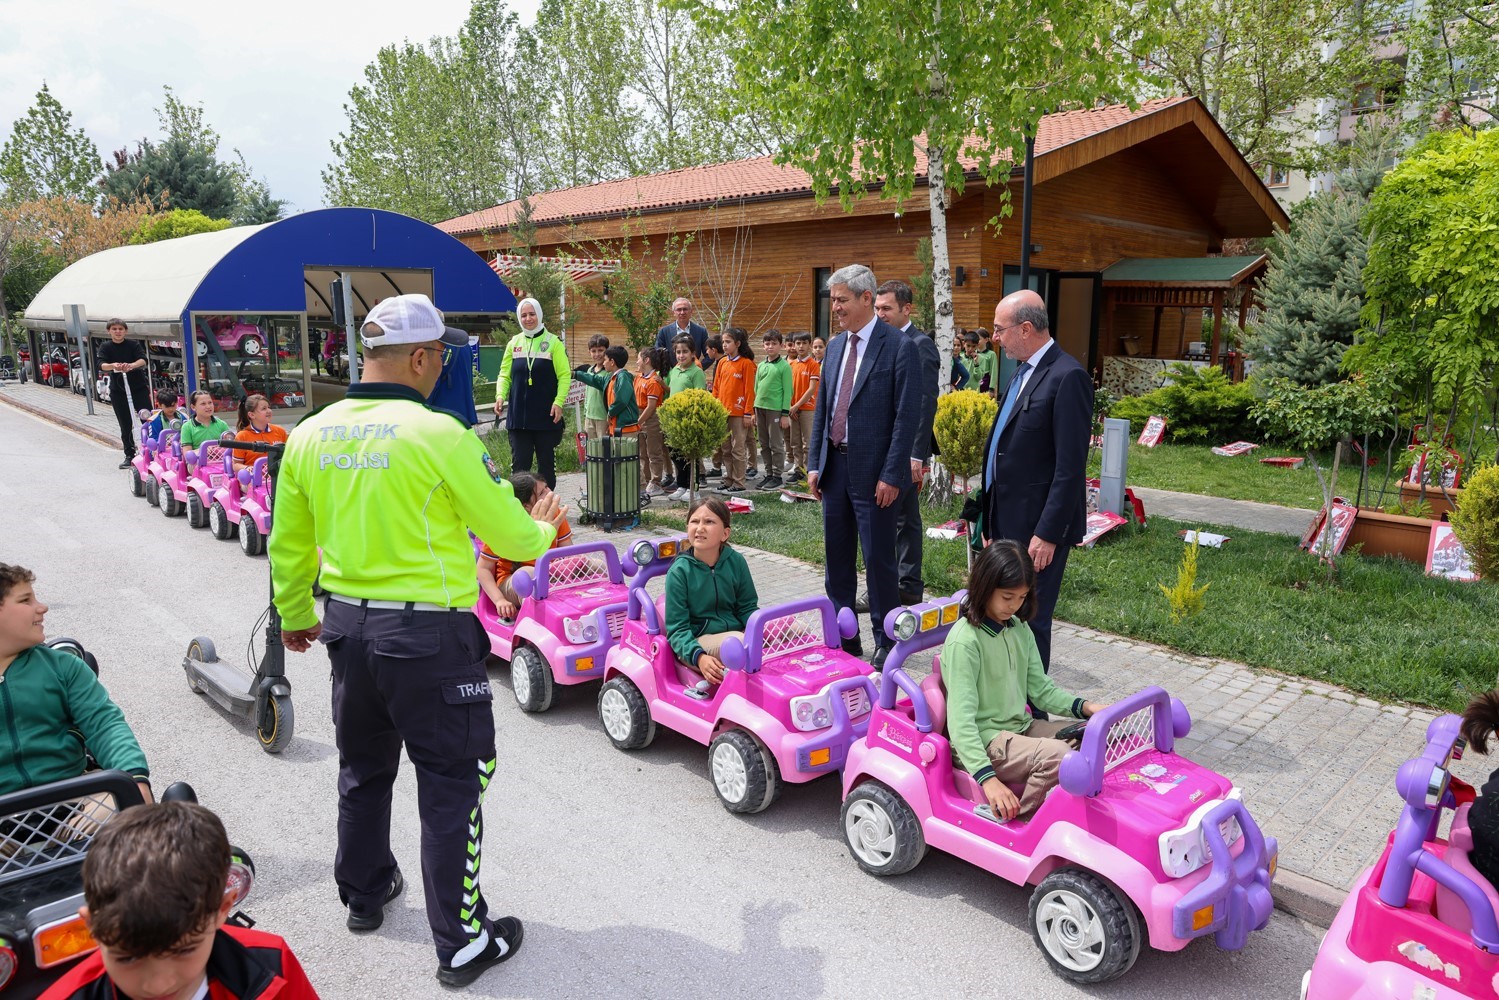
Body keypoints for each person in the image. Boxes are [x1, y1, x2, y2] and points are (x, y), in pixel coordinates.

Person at [268, 293, 565, 987]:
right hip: (426, 635)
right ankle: (461, 941)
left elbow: (289, 543)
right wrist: (546, 526)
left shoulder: (310, 432)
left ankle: (366, 895)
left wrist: (294, 613)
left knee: (363, 770)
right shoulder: (441, 434)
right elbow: (512, 536)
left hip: (346, 626)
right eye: (444, 356)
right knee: (454, 783)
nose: (444, 368)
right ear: (423, 357)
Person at [43, 802, 319, 1000]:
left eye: (184, 950)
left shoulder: (272, 964)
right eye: (129, 957)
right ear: (91, 926)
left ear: (223, 908)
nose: (158, 985)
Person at [942, 541, 1107, 822]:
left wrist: (1089, 708)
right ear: (984, 586)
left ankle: (1074, 809)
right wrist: (988, 780)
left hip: (1020, 729)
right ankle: (1025, 823)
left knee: (1095, 735)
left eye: (1021, 597)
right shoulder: (965, 642)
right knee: (1058, 756)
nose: (1014, 605)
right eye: (1007, 597)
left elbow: (1042, 692)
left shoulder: (1018, 628)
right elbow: (960, 724)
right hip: (984, 742)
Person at [806, 265, 921, 666]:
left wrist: (893, 474)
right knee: (836, 562)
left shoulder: (898, 346)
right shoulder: (836, 346)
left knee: (879, 563)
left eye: (841, 299)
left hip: (876, 477)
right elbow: (823, 409)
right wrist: (814, 463)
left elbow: (908, 417)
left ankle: (887, 643)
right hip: (834, 470)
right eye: (833, 299)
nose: (834, 307)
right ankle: (843, 640)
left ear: (866, 298)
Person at [976, 289, 1093, 675]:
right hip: (1007, 519)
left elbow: (1070, 467)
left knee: (1031, 618)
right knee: (1004, 615)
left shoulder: (1067, 376)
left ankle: (1033, 708)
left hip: (1037, 527)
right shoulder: (1023, 371)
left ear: (1026, 329)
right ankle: (1008, 696)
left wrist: (1047, 533)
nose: (994, 337)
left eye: (999, 329)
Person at [0, 564, 151, 802]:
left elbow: (104, 725)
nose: (42, 607)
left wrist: (135, 778)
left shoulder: (63, 667)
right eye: (26, 600)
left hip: (74, 796)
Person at [874, 280, 940, 606]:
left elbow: (925, 402)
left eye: (887, 308)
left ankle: (901, 586)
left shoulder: (919, 344)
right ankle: (906, 585)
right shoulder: (883, 342)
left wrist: (917, 454)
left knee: (899, 519)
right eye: (877, 308)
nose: (880, 314)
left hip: (905, 453)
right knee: (901, 518)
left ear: (906, 309)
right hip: (884, 449)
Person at [664, 498, 757, 685]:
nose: (700, 528)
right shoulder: (679, 571)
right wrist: (699, 657)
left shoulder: (736, 561)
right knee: (740, 642)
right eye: (695, 521)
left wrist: (759, 628)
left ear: (725, 533)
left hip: (734, 632)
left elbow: (747, 607)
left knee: (793, 627)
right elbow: (677, 631)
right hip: (697, 642)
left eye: (709, 522)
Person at [495, 297, 570, 490]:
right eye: (524, 315)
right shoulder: (514, 343)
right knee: (520, 469)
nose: (528, 319)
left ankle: (547, 509)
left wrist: (559, 402)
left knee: (546, 469)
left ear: (539, 314)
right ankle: (520, 511)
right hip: (519, 419)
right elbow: (505, 374)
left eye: (532, 314)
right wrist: (500, 396)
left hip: (546, 417)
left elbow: (564, 375)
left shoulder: (553, 343)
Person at [477, 472, 575, 621]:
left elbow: (568, 554)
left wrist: (575, 566)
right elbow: (483, 569)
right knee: (529, 574)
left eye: (547, 487)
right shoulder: (505, 527)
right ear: (526, 506)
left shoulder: (556, 516)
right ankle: (540, 621)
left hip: (551, 576)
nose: (550, 493)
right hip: (515, 581)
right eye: (542, 492)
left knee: (593, 564)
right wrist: (499, 600)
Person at [96, 319, 151, 469]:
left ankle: (153, 450)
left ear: (125, 331)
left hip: (138, 388)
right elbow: (101, 364)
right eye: (114, 329)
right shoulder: (105, 346)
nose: (118, 331)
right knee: (125, 423)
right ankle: (129, 454)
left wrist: (131, 365)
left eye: (120, 329)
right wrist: (114, 366)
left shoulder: (133, 344)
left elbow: (143, 360)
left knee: (148, 419)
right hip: (118, 390)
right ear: (109, 331)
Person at [711, 329, 756, 494]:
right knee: (726, 448)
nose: (724, 345)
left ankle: (739, 482)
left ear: (738, 344)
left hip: (738, 413)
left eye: (728, 342)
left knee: (738, 449)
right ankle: (728, 479)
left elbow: (750, 391)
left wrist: (747, 413)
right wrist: (715, 407)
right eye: (723, 342)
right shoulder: (722, 362)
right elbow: (716, 387)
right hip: (723, 412)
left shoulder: (746, 363)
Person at [666, 336, 706, 500]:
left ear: (693, 353)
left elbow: (700, 396)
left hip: (688, 420)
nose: (681, 355)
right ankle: (682, 485)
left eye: (685, 352)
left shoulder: (696, 372)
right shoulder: (674, 370)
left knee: (690, 456)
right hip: (673, 419)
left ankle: (693, 489)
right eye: (678, 352)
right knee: (676, 455)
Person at [753, 331, 792, 491]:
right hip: (760, 408)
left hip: (775, 410)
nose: (770, 346)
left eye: (774, 343)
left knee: (776, 444)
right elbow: (756, 387)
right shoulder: (761, 365)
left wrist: (784, 414)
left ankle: (777, 476)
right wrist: (754, 408)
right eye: (767, 343)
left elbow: (788, 391)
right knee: (763, 443)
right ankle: (768, 474)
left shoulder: (784, 366)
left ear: (781, 346)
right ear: (763, 346)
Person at [571, 346, 638, 436]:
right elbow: (594, 380)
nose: (603, 363)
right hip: (617, 427)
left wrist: (610, 413)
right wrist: (576, 374)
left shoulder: (623, 377)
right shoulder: (610, 377)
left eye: (605, 360)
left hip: (626, 428)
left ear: (612, 362)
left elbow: (621, 400)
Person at [636, 347, 671, 495]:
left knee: (654, 452)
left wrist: (639, 421)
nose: (637, 361)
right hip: (640, 416)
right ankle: (646, 480)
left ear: (646, 360)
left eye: (638, 358)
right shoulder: (639, 377)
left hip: (651, 419)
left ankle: (656, 481)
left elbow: (651, 407)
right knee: (642, 453)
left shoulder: (654, 381)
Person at [787, 332, 820, 486]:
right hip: (792, 409)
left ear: (809, 345)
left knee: (808, 442)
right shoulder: (791, 365)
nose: (800, 346)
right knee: (795, 442)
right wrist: (789, 406)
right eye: (797, 343)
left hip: (807, 408)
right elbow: (787, 388)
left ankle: (808, 471)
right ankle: (798, 470)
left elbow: (811, 389)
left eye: (804, 343)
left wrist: (797, 405)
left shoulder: (813, 364)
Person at [427, 331, 480, 426]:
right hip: (465, 411)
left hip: (442, 411)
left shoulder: (438, 346)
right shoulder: (465, 345)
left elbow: (433, 382)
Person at [232, 394, 288, 472]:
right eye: (264, 408)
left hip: (277, 475)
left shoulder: (280, 431)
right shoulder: (242, 436)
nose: (269, 411)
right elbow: (235, 465)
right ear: (252, 415)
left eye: (269, 407)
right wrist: (247, 468)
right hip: (253, 478)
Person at [702, 336, 726, 479]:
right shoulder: (718, 362)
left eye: (707, 350)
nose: (706, 352)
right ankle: (716, 466)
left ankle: (721, 466)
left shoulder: (722, 363)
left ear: (714, 350)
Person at [581, 335, 611, 441]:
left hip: (603, 417)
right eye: (593, 351)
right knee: (591, 450)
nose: (597, 354)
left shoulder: (609, 372)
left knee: (604, 449)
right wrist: (586, 412)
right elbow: (588, 393)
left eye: (600, 350)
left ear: (607, 351)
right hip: (589, 417)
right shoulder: (590, 370)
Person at [965, 330, 999, 397]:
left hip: (985, 382)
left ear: (986, 340)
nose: (977, 341)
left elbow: (993, 372)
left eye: (979, 339)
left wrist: (991, 388)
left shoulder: (991, 354)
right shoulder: (972, 353)